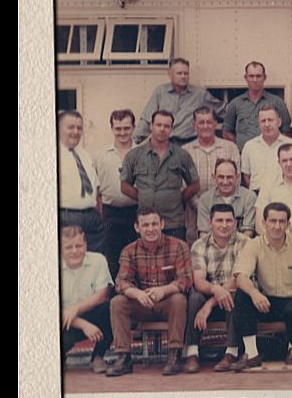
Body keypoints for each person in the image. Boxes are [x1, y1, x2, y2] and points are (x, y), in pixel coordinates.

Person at [106, 208, 192, 377]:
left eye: (154, 224)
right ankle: (124, 357)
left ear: (162, 224)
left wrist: (164, 290)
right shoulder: (129, 250)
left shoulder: (179, 246)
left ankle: (175, 355)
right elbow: (121, 282)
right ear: (137, 227)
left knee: (179, 299)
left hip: (167, 302)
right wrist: (137, 294)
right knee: (117, 302)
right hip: (142, 303)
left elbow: (186, 280)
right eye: (145, 225)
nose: (150, 229)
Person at [233, 202, 292, 370]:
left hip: (291, 299)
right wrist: (254, 293)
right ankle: (251, 353)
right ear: (264, 223)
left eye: (282, 221)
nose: (277, 226)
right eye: (272, 221)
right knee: (242, 295)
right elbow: (241, 276)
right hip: (264, 300)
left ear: (288, 224)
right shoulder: (253, 245)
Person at [121, 109, 200, 243]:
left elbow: (195, 185)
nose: (162, 129)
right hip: (146, 223)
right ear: (151, 126)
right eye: (158, 125)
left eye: (166, 126)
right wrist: (144, 196)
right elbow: (124, 186)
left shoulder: (182, 155)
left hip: (174, 222)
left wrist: (176, 198)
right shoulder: (134, 155)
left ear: (171, 129)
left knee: (175, 255)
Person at [186, 204, 247, 374]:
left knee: (234, 295)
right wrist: (215, 291)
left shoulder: (244, 243)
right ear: (210, 223)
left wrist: (210, 304)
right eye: (219, 220)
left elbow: (238, 279)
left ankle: (231, 352)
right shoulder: (199, 245)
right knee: (195, 298)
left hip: (231, 297)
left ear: (235, 223)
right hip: (209, 293)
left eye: (228, 221)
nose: (224, 225)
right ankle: (192, 352)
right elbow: (199, 281)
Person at [134, 57, 224, 145]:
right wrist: (135, 141)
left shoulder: (200, 94)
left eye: (186, 73)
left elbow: (223, 110)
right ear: (170, 74)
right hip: (165, 143)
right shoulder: (161, 92)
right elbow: (147, 118)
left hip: (189, 143)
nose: (183, 76)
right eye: (179, 73)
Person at [59, 226, 112, 373]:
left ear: (86, 245)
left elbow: (102, 295)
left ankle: (98, 356)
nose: (75, 251)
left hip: (89, 313)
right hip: (63, 320)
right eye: (68, 247)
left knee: (111, 308)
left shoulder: (98, 260)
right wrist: (83, 325)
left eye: (79, 246)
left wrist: (75, 309)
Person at [95, 109, 139, 277]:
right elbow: (95, 189)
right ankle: (114, 291)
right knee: (112, 258)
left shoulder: (142, 153)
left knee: (135, 256)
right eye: (118, 128)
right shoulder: (100, 156)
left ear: (133, 127)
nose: (122, 133)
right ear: (112, 128)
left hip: (136, 211)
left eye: (126, 128)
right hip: (110, 213)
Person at [184, 105, 240, 234]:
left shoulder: (230, 148)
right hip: (194, 213)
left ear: (215, 124)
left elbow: (236, 180)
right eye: (201, 122)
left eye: (209, 122)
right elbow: (184, 185)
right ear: (194, 125)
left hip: (226, 212)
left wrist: (221, 210)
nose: (205, 126)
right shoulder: (186, 151)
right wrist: (202, 207)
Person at [57, 110, 104, 254]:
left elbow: (96, 188)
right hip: (67, 218)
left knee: (95, 259)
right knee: (70, 260)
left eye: (79, 128)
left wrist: (98, 213)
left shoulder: (85, 155)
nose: (76, 132)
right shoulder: (49, 156)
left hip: (92, 217)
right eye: (70, 127)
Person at [222, 61, 291, 151]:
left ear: (264, 78)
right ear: (246, 78)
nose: (255, 80)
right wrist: (241, 147)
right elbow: (226, 132)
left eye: (258, 76)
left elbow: (286, 131)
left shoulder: (277, 102)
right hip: (243, 154)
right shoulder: (235, 104)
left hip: (271, 153)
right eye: (251, 76)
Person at [239, 105, 292, 194]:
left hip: (284, 194)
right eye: (263, 121)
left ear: (279, 122)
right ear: (258, 124)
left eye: (270, 120)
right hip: (256, 195)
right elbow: (246, 176)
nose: (267, 124)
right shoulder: (249, 146)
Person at [196, 158, 257, 240]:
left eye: (229, 177)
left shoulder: (249, 197)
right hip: (212, 245)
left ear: (237, 176)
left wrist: (233, 246)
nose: (225, 182)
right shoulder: (205, 199)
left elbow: (248, 231)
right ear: (214, 177)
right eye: (221, 177)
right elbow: (204, 232)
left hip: (240, 244)